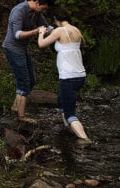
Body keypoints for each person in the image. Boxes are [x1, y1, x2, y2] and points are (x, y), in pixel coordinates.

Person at [37, 10, 89, 141]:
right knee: (61, 99)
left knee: (70, 113)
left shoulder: (59, 31)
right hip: (80, 75)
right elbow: (82, 43)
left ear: (56, 20)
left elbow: (41, 44)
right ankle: (67, 128)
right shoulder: (76, 30)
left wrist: (41, 33)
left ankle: (85, 140)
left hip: (68, 76)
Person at [1, 0, 51, 124]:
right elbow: (17, 34)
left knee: (32, 80)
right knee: (23, 82)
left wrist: (62, 30)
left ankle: (16, 106)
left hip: (23, 49)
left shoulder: (36, 12)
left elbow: (47, 27)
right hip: (12, 49)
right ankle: (22, 118)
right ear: (37, 3)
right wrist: (36, 32)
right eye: (43, 8)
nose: (43, 11)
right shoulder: (19, 11)